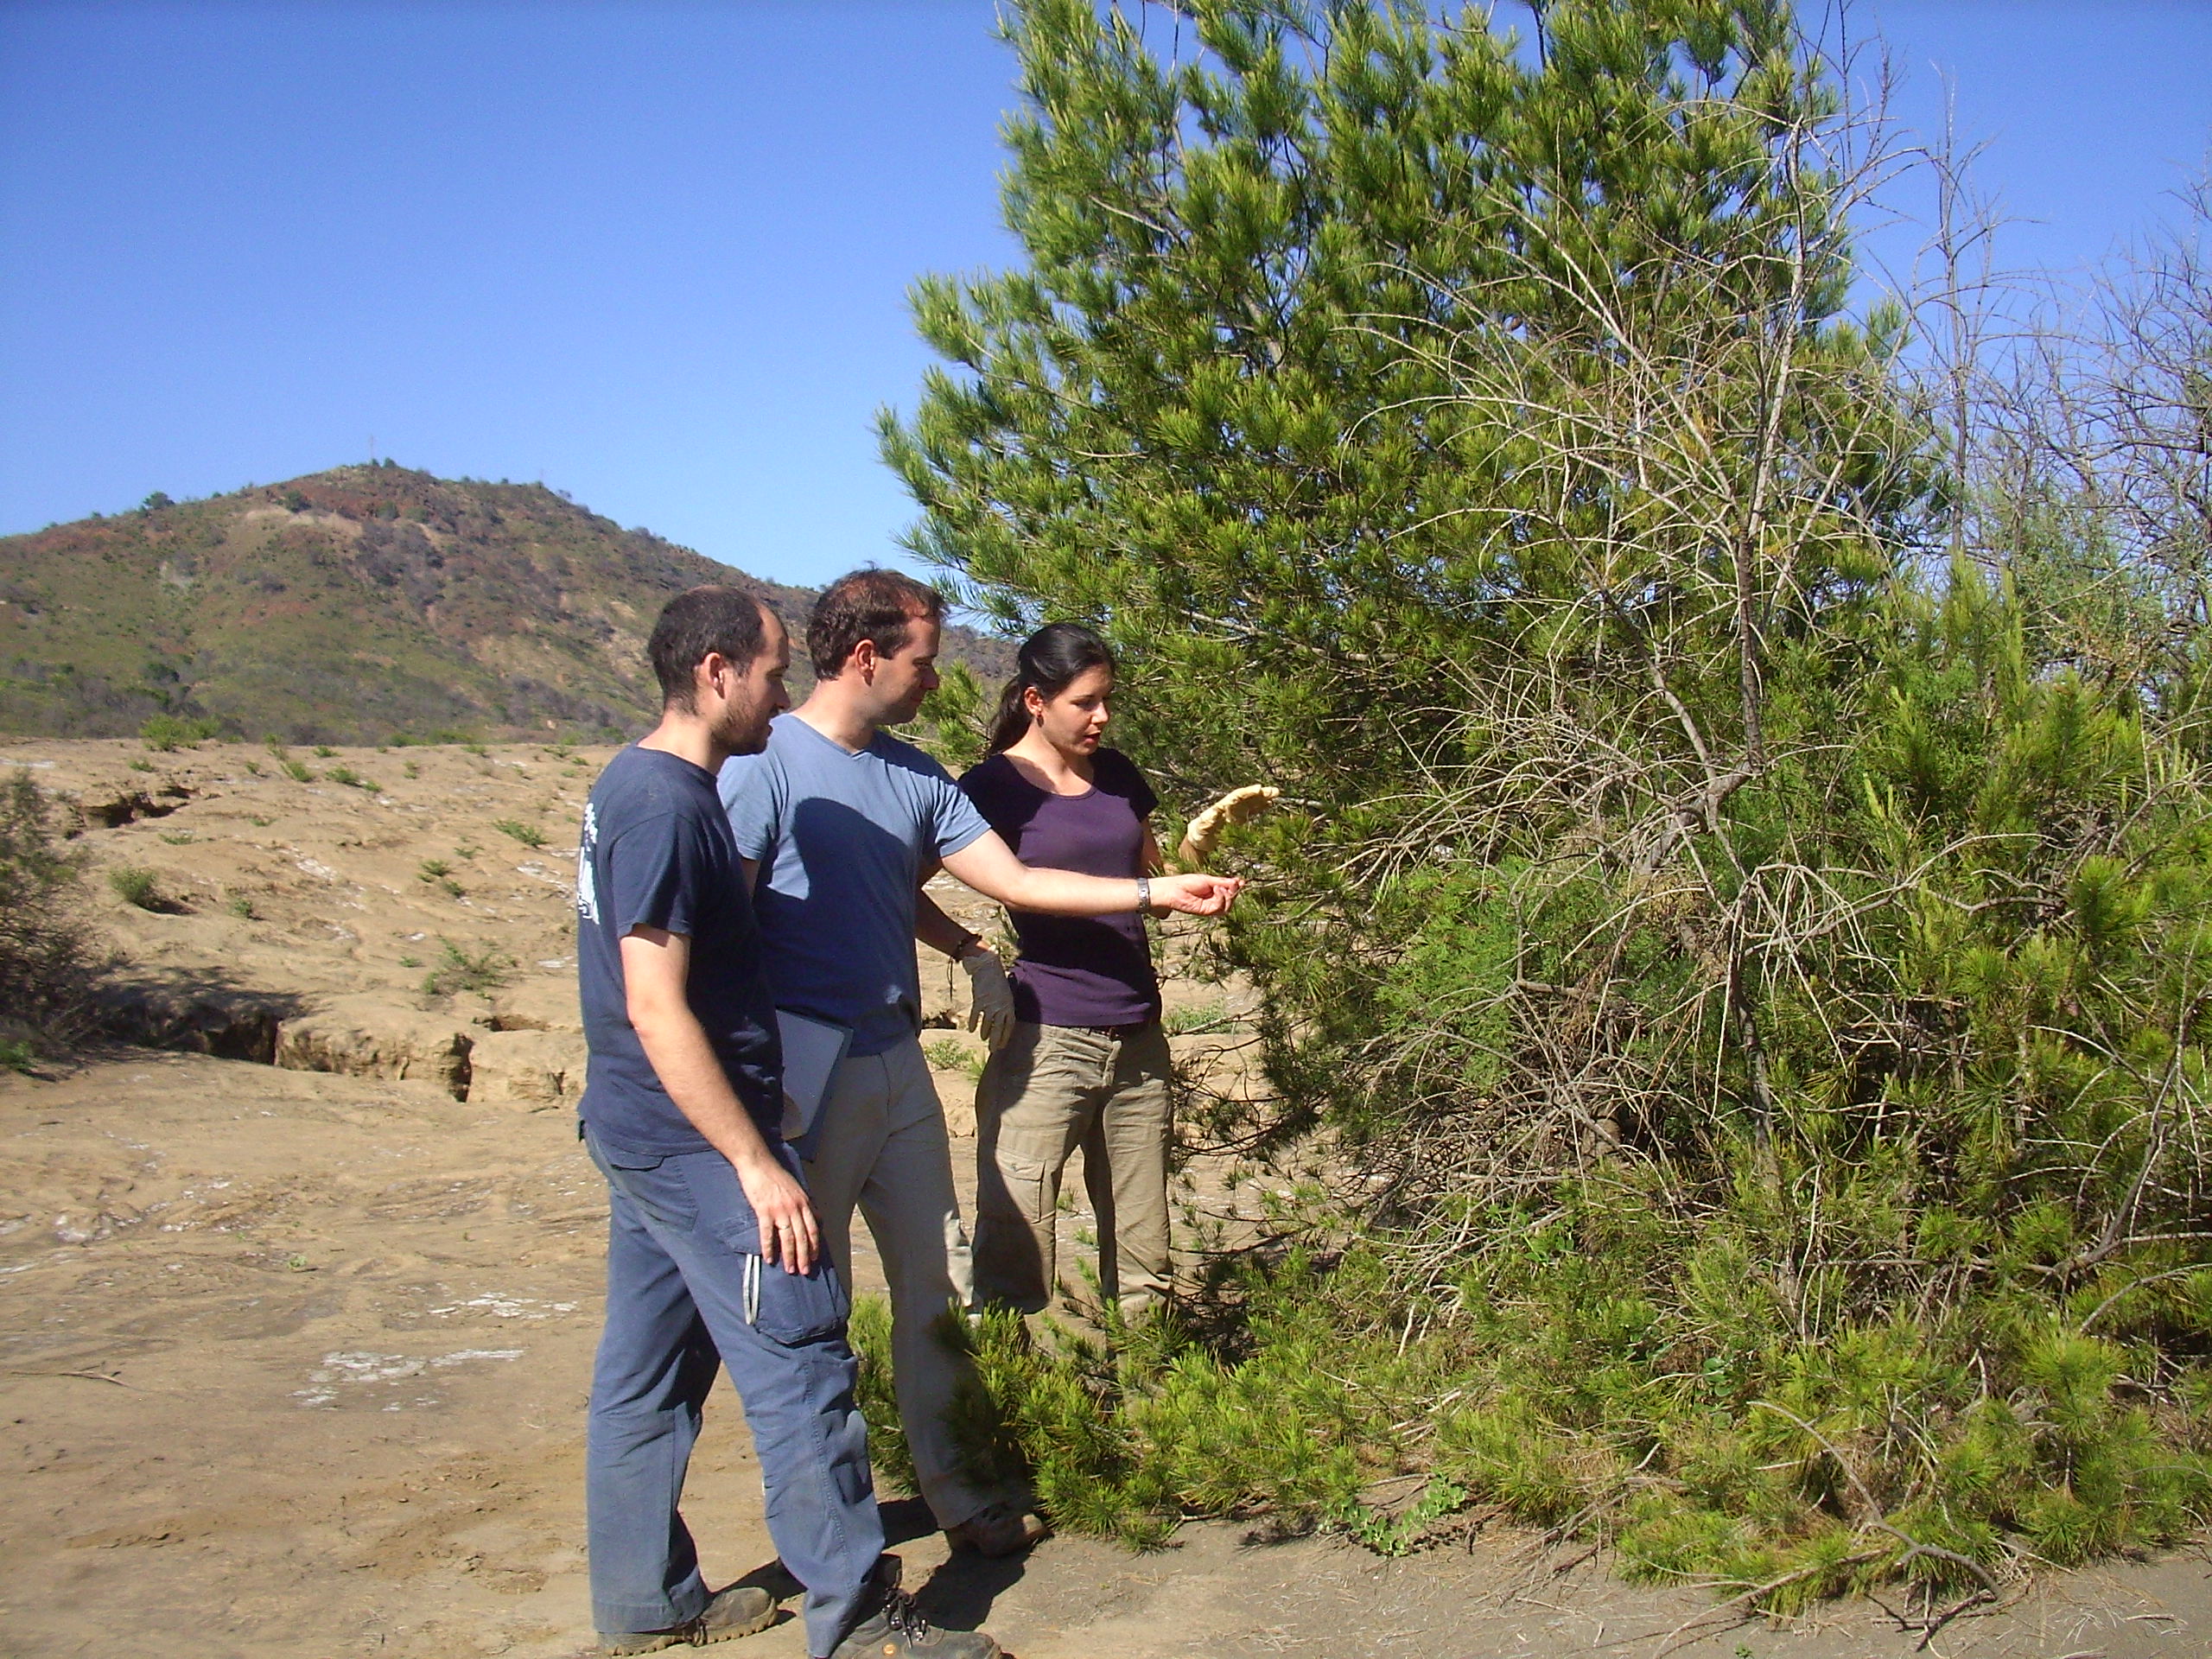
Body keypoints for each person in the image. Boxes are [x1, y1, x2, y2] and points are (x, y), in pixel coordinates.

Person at [717, 569, 1240, 1558]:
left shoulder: (917, 774)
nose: (934, 680)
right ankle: (852, 1527)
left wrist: (1155, 886)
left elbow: (1021, 878)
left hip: (923, 1048)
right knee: (832, 1295)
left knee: (956, 1274)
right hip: (829, 1069)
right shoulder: (775, 763)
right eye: (922, 661)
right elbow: (721, 932)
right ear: (868, 656)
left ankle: (989, 1480)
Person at [575, 585, 997, 1659]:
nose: (778, 692)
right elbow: (655, 1002)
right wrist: (755, 1161)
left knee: (651, 1372)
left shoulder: (633, 785)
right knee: (804, 1362)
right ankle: (857, 1627)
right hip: (691, 1142)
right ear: (715, 674)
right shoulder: (671, 807)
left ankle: (644, 1601)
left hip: (636, 1132)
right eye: (767, 671)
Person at [959, 625, 1274, 1323]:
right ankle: (1006, 1410)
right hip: (1045, 1046)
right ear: (1036, 701)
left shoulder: (1121, 775)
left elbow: (1153, 888)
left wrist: (1199, 847)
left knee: (1143, 1250)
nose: (1102, 717)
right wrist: (970, 950)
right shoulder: (991, 788)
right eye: (1086, 703)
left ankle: (1145, 1404)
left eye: (1108, 701)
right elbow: (906, 883)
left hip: (1138, 1039)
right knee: (1015, 1243)